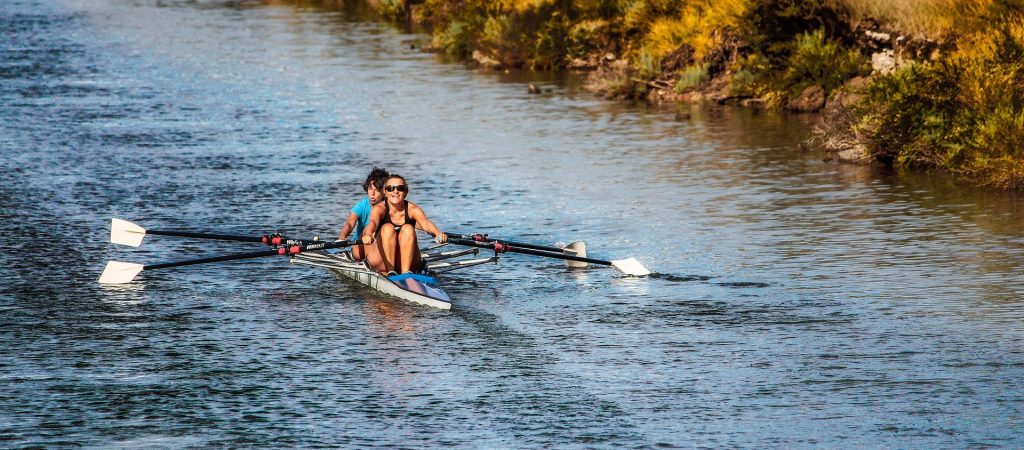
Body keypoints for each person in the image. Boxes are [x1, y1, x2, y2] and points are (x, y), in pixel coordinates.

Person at [360, 174, 447, 275]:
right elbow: (373, 223)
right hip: (381, 261)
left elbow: (425, 223)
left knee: (408, 228)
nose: (395, 191)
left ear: (405, 192)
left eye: (400, 188)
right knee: (387, 228)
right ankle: (390, 272)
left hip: (408, 262)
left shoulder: (413, 209)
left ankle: (406, 274)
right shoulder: (379, 209)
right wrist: (368, 234)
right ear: (385, 192)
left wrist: (438, 233)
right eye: (390, 188)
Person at [338, 167, 389, 261]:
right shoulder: (362, 205)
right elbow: (350, 224)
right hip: (359, 248)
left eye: (377, 190)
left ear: (384, 191)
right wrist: (342, 237)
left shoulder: (391, 206)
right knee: (370, 227)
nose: (372, 194)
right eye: (370, 189)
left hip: (381, 246)